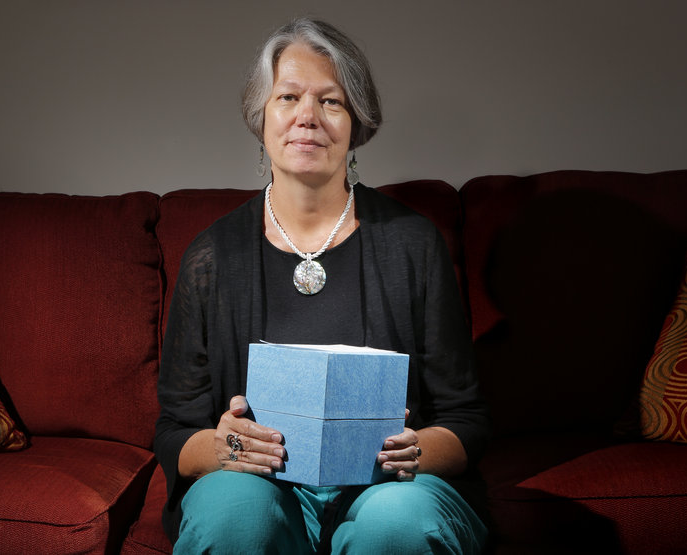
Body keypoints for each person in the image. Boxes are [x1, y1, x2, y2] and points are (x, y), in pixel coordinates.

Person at [155, 17, 489, 554]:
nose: (307, 117)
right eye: (288, 97)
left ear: (356, 124)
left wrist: (416, 451)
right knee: (233, 516)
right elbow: (174, 431)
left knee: (397, 522)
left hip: (391, 490)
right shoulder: (211, 257)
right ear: (260, 118)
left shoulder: (414, 245)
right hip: (257, 488)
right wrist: (226, 448)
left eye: (330, 102)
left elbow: (466, 419)